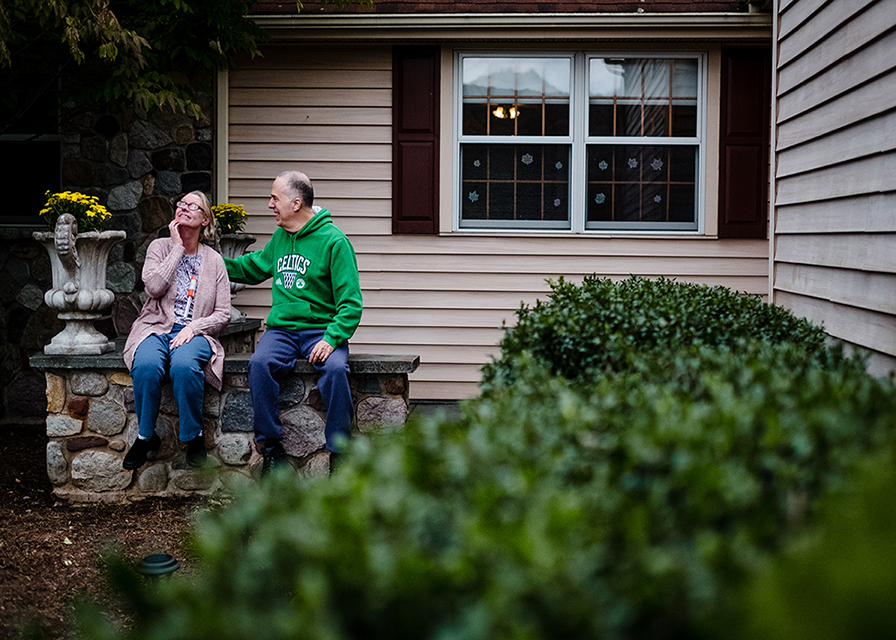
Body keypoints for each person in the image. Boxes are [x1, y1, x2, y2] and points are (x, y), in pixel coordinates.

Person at [223, 170, 362, 475]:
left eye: (275, 198)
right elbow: (254, 267)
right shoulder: (281, 237)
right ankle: (271, 448)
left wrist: (331, 338)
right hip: (283, 331)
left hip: (321, 330)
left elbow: (351, 303)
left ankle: (340, 451)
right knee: (259, 364)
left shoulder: (334, 242)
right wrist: (211, 262)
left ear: (296, 202)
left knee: (336, 370)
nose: (270, 204)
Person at [122, 191, 232, 470]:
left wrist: (194, 328)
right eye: (180, 204)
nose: (183, 208)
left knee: (184, 365)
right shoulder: (159, 248)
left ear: (205, 219)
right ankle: (145, 436)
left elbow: (223, 313)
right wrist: (176, 249)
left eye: (191, 205)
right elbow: (154, 288)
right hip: (155, 327)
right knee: (145, 365)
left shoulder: (215, 261)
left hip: (196, 333)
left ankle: (193, 436)